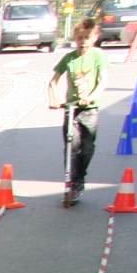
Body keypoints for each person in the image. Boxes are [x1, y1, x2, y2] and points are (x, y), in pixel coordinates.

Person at [49, 18, 108, 207]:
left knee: (87, 147)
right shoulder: (69, 58)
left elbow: (103, 81)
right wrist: (53, 99)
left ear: (94, 38)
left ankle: (80, 178)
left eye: (87, 38)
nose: (83, 41)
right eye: (79, 38)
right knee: (71, 146)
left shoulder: (97, 56)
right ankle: (72, 184)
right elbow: (53, 81)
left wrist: (90, 97)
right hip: (71, 109)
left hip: (90, 109)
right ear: (75, 38)